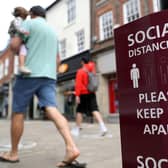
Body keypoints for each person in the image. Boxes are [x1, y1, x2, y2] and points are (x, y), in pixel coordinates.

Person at [0, 6, 84, 168]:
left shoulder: (27, 24)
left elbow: (15, 46)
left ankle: (14, 153)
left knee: (18, 111)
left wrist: (17, 44)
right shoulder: (53, 33)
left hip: (29, 74)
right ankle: (71, 147)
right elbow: (58, 60)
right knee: (52, 108)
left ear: (32, 15)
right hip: (49, 76)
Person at [71, 57, 108, 136]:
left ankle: (76, 129)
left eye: (81, 62)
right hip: (91, 92)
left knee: (79, 111)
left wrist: (77, 95)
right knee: (95, 109)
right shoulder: (92, 70)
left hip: (83, 93)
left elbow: (78, 84)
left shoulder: (80, 71)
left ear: (82, 62)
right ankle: (103, 127)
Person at [8, 6, 31, 74]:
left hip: (15, 37)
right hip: (16, 37)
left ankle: (22, 65)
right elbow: (17, 26)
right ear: (22, 14)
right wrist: (24, 31)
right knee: (23, 51)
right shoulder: (18, 19)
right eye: (25, 16)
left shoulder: (18, 20)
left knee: (22, 51)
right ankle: (22, 66)